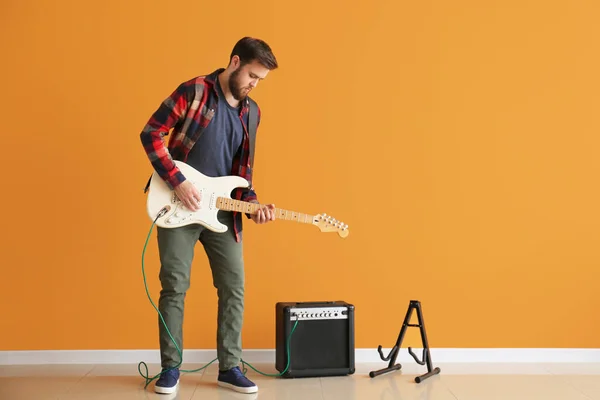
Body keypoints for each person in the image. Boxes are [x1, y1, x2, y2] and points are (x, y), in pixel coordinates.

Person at [139, 37, 278, 395]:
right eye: (251, 75)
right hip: (175, 204)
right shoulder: (194, 91)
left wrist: (254, 204)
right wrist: (178, 181)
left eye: (260, 80)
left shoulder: (252, 112)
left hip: (221, 214)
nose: (254, 84)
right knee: (174, 287)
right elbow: (151, 132)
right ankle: (170, 369)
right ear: (234, 62)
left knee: (234, 288)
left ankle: (229, 367)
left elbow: (243, 173)